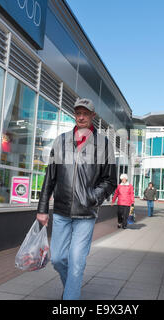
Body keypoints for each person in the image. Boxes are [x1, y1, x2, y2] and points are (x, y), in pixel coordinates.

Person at [36, 98, 117, 300]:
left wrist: (93, 197)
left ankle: (70, 299)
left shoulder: (104, 145)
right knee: (58, 259)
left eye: (85, 113)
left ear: (92, 116)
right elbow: (50, 177)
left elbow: (110, 180)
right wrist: (43, 208)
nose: (81, 116)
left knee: (76, 261)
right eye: (78, 112)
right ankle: (72, 288)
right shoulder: (61, 141)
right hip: (62, 211)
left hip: (86, 214)